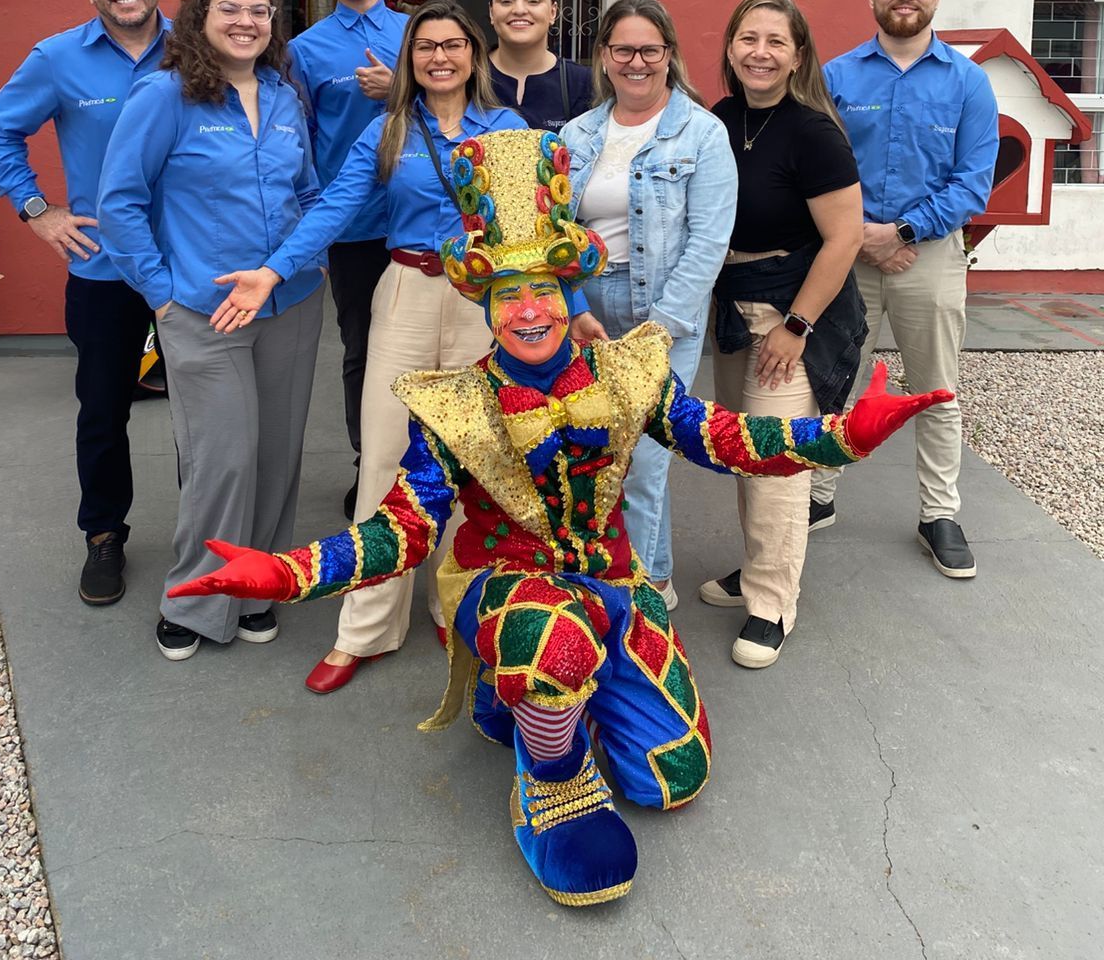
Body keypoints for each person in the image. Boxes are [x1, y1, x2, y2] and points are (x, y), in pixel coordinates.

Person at [169, 127, 949, 907]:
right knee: (554, 644)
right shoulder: (458, 403)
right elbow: (402, 529)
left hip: (612, 583)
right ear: (485, 305)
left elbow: (722, 438)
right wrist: (289, 573)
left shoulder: (626, 371)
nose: (529, 310)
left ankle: (532, 696)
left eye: (543, 288)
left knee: (672, 776)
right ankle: (553, 774)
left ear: (569, 293)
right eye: (508, 294)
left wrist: (842, 437)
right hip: (503, 582)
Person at [206, 0, 527, 692]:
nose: (439, 57)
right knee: (384, 456)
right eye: (425, 47)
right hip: (406, 290)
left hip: (482, 302)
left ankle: (459, 608)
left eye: (452, 44)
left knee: (478, 458)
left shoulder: (507, 129)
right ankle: (366, 628)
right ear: (410, 59)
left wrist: (572, 311)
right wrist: (273, 271)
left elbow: (532, 231)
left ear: (474, 53)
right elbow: (333, 207)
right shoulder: (389, 129)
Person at [96, 0, 326, 661]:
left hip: (290, 303)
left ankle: (256, 588)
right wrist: (162, 295)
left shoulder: (285, 98)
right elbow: (119, 204)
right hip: (202, 310)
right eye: (230, 8)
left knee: (277, 456)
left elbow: (308, 193)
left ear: (273, 23)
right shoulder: (164, 97)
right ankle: (195, 598)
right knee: (221, 459)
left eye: (259, 11)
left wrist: (305, 259)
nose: (246, 22)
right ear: (200, 17)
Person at [0, 0, 169, 607]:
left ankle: (209, 535)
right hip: (104, 269)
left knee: (204, 414)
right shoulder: (57, 59)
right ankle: (104, 534)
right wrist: (38, 210)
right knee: (103, 412)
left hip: (190, 269)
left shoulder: (198, 50)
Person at [811, 0, 999, 579]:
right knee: (831, 380)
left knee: (935, 388)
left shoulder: (968, 82)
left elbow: (973, 182)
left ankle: (939, 513)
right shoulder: (836, 77)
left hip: (931, 255)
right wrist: (862, 235)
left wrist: (902, 230)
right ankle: (817, 496)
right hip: (846, 253)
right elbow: (819, 165)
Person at [699, 0, 865, 667]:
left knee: (776, 460)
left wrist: (797, 325)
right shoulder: (720, 119)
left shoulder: (813, 133)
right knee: (745, 451)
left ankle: (772, 602)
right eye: (748, 38)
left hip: (793, 311)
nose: (760, 52)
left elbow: (846, 237)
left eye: (775, 41)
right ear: (730, 46)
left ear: (798, 56)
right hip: (733, 309)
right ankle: (758, 567)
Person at [561, 0, 737, 607]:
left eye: (649, 50)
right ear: (604, 56)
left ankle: (633, 597)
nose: (636, 62)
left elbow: (710, 239)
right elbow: (560, 234)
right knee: (594, 450)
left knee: (645, 459)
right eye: (624, 50)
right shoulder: (577, 134)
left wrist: (661, 325)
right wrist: (574, 306)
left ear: (669, 55)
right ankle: (652, 576)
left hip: (663, 307)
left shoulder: (703, 133)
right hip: (587, 309)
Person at [289, 0, 407, 520]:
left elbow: (459, 107)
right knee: (361, 349)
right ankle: (370, 463)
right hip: (353, 228)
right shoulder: (303, 51)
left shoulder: (418, 34)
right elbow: (301, 146)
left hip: (420, 220)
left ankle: (427, 462)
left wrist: (399, 90)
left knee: (431, 344)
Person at [487, 0, 594, 132]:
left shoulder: (583, 83)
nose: (519, 10)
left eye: (533, 1)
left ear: (553, 12)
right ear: (492, 12)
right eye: (506, 1)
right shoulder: (469, 77)